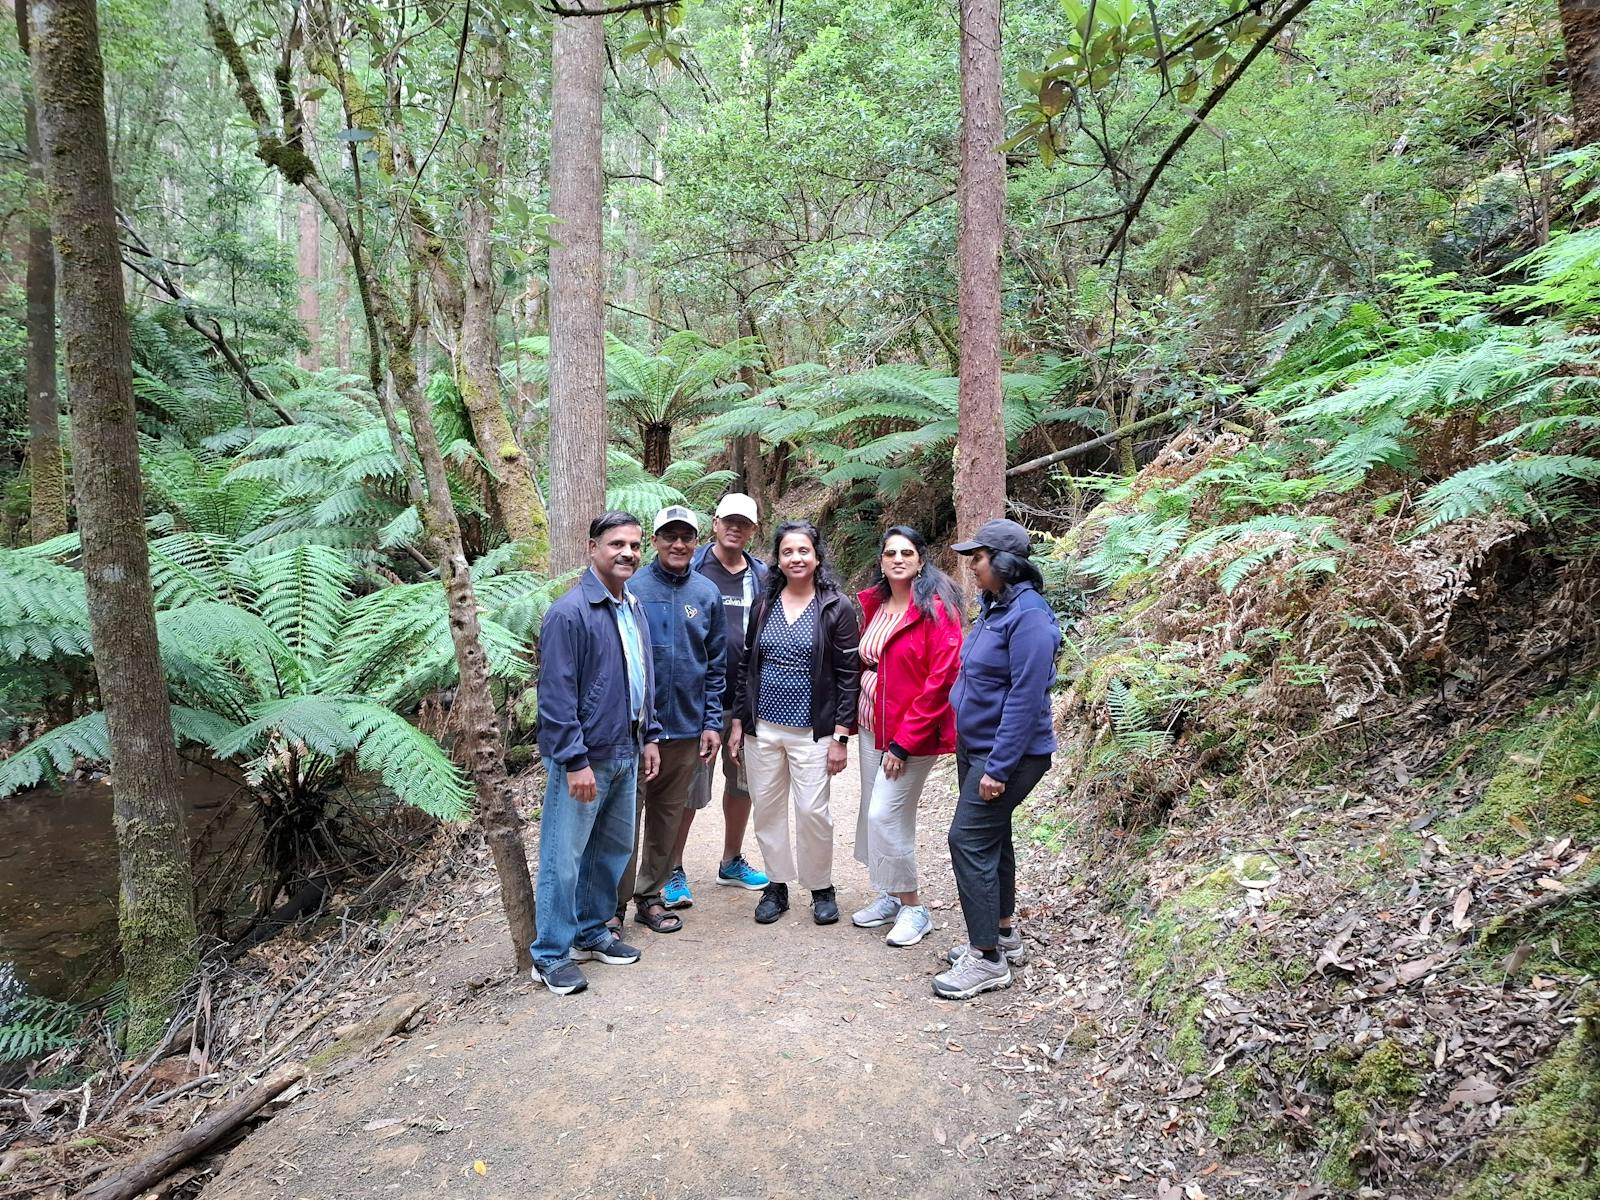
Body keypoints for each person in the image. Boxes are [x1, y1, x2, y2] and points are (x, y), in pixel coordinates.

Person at [531, 512, 662, 996]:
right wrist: (573, 760)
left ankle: (590, 932)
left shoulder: (633, 607)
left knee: (611, 850)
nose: (628, 552)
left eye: (634, 544)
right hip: (586, 756)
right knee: (563, 857)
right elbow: (556, 696)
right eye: (616, 544)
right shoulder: (569, 612)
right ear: (592, 549)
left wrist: (650, 735)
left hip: (626, 746)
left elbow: (643, 678)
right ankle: (549, 955)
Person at [933, 518, 1060, 1001]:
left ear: (1005, 563)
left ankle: (986, 957)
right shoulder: (995, 608)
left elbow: (1027, 700)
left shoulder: (1030, 617)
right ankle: (1003, 930)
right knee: (992, 837)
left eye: (978, 559)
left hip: (1008, 754)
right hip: (978, 747)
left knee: (966, 838)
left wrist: (998, 768)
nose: (972, 568)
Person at [727, 521, 859, 926]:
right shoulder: (764, 604)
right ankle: (777, 886)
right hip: (763, 727)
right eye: (787, 552)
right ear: (778, 559)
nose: (796, 558)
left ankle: (821, 887)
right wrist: (738, 720)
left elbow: (848, 675)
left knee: (813, 811)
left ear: (817, 556)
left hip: (814, 731)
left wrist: (841, 735)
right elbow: (747, 664)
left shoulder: (835, 607)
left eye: (803, 551)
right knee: (767, 810)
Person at [850, 526, 964, 948]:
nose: (898, 559)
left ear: (920, 560)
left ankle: (915, 907)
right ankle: (888, 895)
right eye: (890, 553)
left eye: (907, 553)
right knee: (871, 811)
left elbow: (941, 680)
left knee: (885, 813)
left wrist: (903, 742)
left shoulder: (936, 610)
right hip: (869, 724)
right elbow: (866, 663)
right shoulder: (876, 604)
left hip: (910, 734)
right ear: (881, 560)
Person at [616, 505, 726, 934]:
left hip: (686, 725)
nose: (678, 544)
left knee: (667, 815)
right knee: (625, 819)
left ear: (696, 541)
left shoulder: (706, 593)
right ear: (655, 541)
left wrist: (712, 721)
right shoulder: (633, 587)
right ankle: (613, 904)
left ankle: (650, 896)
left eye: (686, 536)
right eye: (669, 536)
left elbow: (716, 664)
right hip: (637, 730)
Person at [660, 493, 769, 906]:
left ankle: (731, 861)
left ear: (754, 530)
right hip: (697, 701)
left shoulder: (761, 575)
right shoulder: (692, 567)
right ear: (715, 523)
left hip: (746, 701)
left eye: (744, 523)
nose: (735, 529)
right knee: (688, 789)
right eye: (729, 521)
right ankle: (673, 869)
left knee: (742, 784)